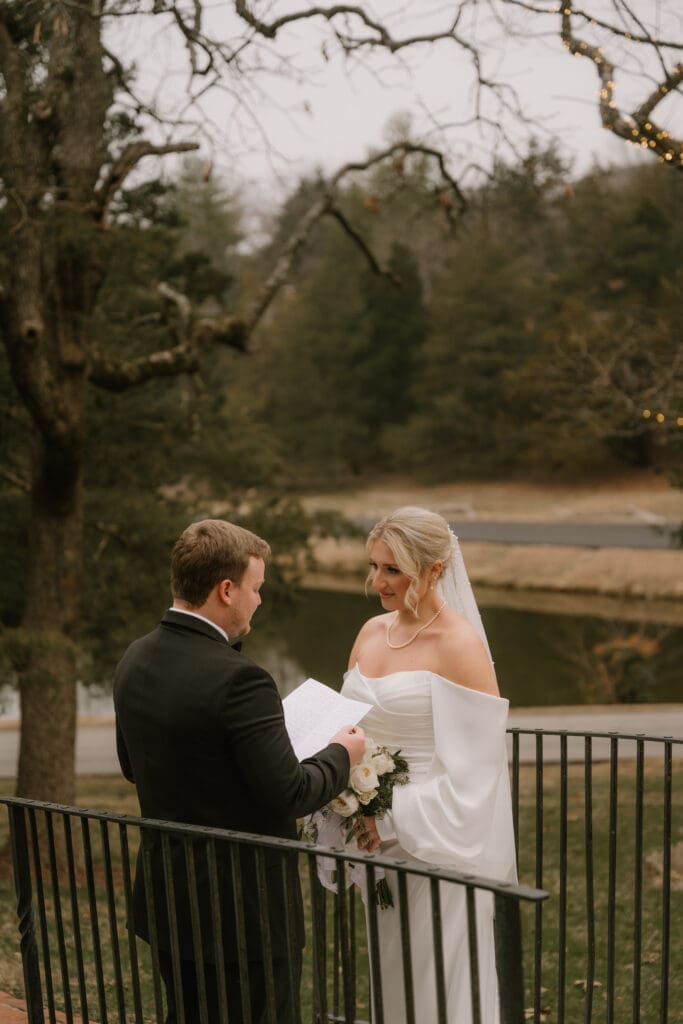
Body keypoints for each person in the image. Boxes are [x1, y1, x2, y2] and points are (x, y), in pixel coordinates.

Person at [114, 518, 365, 1024]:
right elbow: (291, 793)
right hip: (242, 914)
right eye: (256, 589)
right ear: (225, 590)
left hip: (168, 900)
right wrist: (342, 752)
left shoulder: (135, 657)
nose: (259, 601)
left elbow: (131, 766)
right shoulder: (241, 679)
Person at [341, 506, 517, 1024]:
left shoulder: (459, 644)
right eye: (375, 566)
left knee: (439, 991)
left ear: (435, 569)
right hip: (376, 845)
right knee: (393, 986)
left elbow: (478, 776)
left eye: (393, 570)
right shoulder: (371, 632)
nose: (378, 582)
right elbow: (348, 728)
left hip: (437, 847)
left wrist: (387, 816)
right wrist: (342, 791)